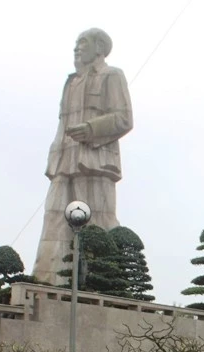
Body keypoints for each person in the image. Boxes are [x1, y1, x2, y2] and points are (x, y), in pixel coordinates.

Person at [33, 28, 134, 286]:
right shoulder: (71, 81)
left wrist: (91, 129)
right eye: (76, 44)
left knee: (97, 223)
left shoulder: (112, 75)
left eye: (83, 43)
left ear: (99, 47)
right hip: (63, 161)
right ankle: (49, 282)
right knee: (54, 221)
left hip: (95, 160)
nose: (77, 48)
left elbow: (124, 119)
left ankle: (102, 282)